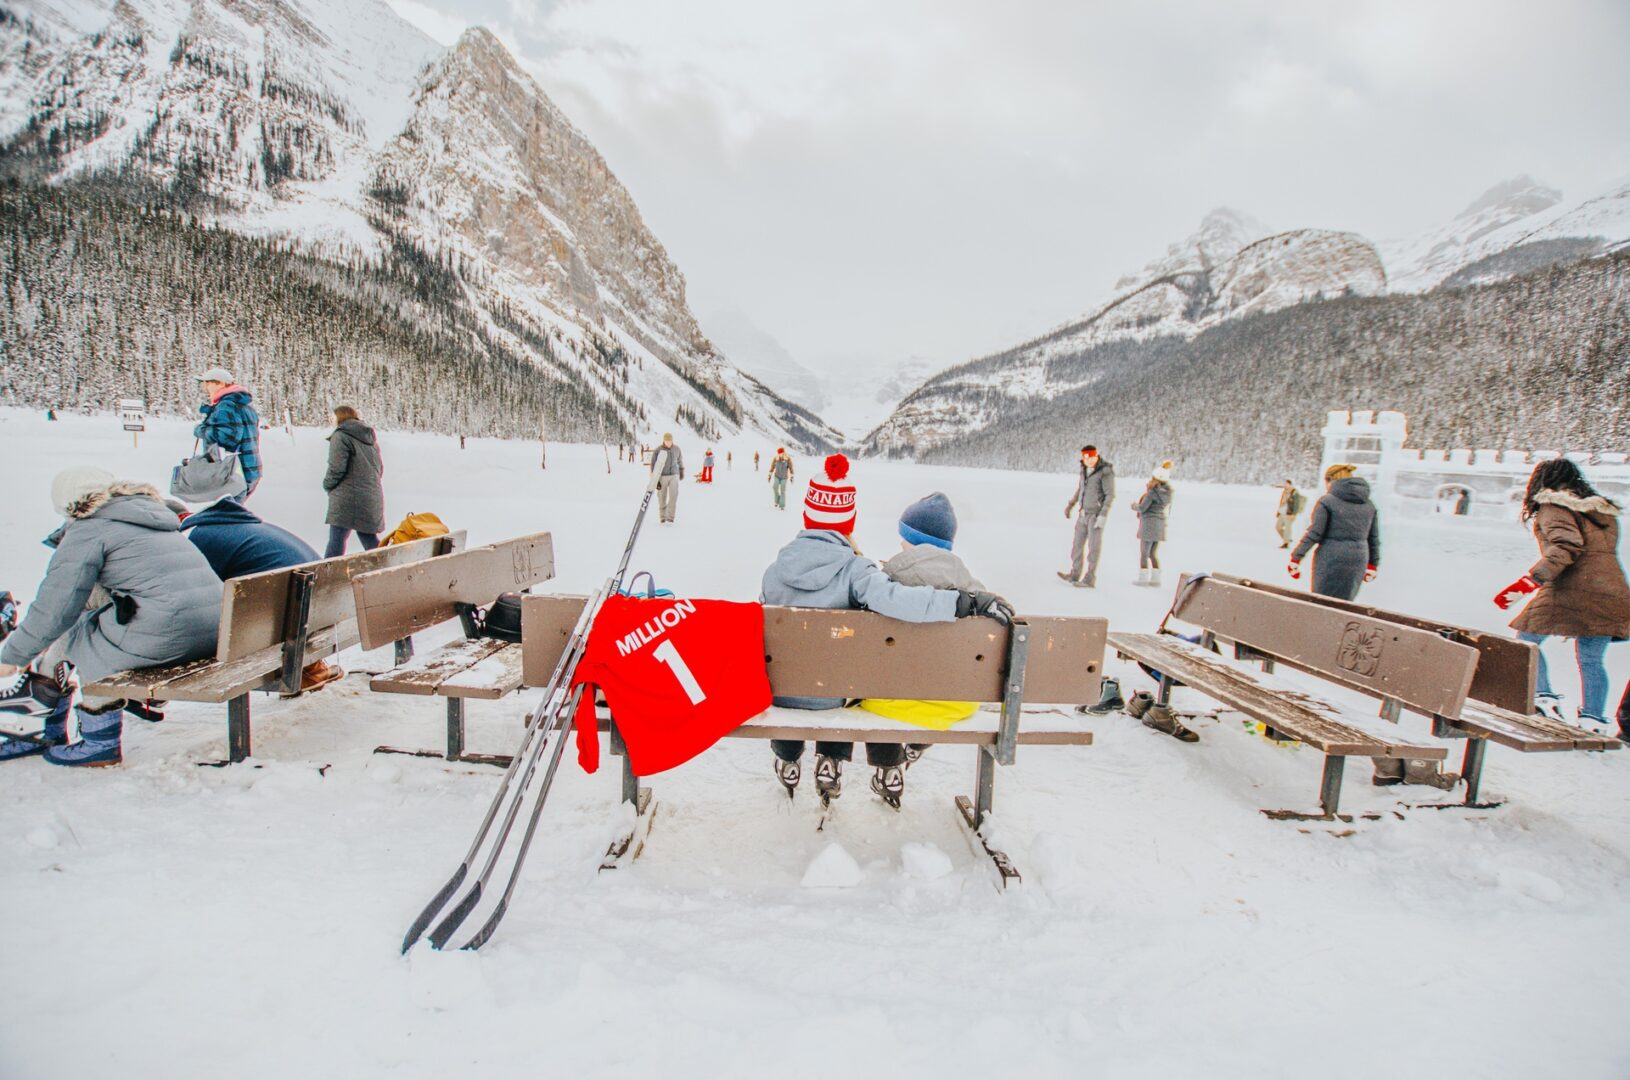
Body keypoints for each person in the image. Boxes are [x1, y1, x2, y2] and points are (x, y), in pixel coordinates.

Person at [760, 457, 1013, 805]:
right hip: (832, 696)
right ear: (848, 521)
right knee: (849, 680)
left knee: (820, 675)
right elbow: (898, 600)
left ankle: (788, 757)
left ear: (807, 517)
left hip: (781, 691)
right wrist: (960, 604)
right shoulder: (857, 570)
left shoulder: (775, 570)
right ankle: (832, 758)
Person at [0, 468, 222, 765]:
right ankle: (43, 721)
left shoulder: (88, 530)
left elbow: (55, 607)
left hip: (168, 638)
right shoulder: (151, 517)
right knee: (84, 618)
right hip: (213, 634)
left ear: (71, 507)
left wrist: (13, 656)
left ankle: (90, 741)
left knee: (83, 640)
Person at [855, 493, 992, 800]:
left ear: (909, 539)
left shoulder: (889, 580)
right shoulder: (971, 587)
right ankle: (916, 744)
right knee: (931, 682)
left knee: (882, 682)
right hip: (954, 701)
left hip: (891, 700)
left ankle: (888, 766)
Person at [1493, 458, 1630, 727]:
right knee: (1591, 659)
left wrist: (1530, 581)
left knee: (1525, 642)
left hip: (1571, 588)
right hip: (1612, 590)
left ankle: (1544, 698)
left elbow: (1567, 546)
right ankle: (1593, 719)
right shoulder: (1601, 512)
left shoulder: (1553, 507)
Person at [177, 498, 343, 695]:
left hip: (294, 622)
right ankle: (311, 667)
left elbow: (198, 594)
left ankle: (307, 670)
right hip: (325, 611)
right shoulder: (244, 526)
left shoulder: (200, 537)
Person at [1289, 464, 1379, 600]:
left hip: (1331, 557)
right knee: (1344, 603)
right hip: (1358, 559)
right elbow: (1373, 538)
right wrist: (1373, 563)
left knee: (1322, 601)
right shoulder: (1368, 504)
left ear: (1330, 480)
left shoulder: (1327, 501)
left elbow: (1315, 533)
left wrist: (1296, 557)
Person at [322, 405, 385, 557]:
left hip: (347, 498)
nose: (331, 420)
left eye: (333, 416)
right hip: (371, 496)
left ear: (341, 417)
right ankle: (385, 566)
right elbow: (380, 468)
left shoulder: (341, 436)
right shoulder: (369, 437)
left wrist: (327, 485)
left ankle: (327, 573)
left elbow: (336, 467)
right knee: (368, 538)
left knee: (337, 539)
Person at [194, 367, 262, 498]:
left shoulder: (226, 406)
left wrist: (201, 430)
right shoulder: (243, 405)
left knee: (223, 515)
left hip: (232, 473)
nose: (205, 387)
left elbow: (227, 438)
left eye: (208, 383)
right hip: (248, 469)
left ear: (220, 383)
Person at [1061, 445, 1115, 588]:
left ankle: (1090, 578)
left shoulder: (1105, 472)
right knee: (1077, 545)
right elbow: (1080, 489)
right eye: (1085, 458)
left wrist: (1103, 515)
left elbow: (1110, 495)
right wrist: (1070, 505)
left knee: (1093, 547)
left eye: (1091, 457)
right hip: (1083, 513)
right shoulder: (1084, 470)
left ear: (1096, 456)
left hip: (1095, 515)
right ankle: (1074, 573)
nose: (1088, 460)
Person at [1132, 461, 1173, 587]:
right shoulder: (1167, 493)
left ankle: (1143, 579)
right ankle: (1156, 579)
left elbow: (1143, 508)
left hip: (1149, 524)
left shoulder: (1152, 493)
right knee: (1153, 554)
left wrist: (1134, 506)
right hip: (1160, 525)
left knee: (1144, 553)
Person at [651, 432, 684, 524]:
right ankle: (662, 517)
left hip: (674, 475)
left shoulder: (677, 449)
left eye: (670, 441)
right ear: (664, 440)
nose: (668, 442)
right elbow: (653, 464)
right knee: (662, 497)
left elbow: (680, 460)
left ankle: (670, 517)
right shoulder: (658, 450)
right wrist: (655, 479)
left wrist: (681, 471)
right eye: (666, 441)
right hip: (662, 476)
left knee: (674, 496)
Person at [1275, 479, 1305, 548]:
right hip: (1282, 512)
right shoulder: (1285, 491)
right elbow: (1281, 502)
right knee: (1278, 527)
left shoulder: (1295, 492)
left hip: (1289, 513)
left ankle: (1286, 543)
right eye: (1285, 483)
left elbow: (1296, 504)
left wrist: (1294, 514)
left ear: (1291, 484)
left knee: (1287, 528)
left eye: (1287, 484)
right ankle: (1287, 538)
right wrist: (1278, 512)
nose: (1285, 485)